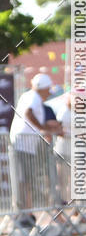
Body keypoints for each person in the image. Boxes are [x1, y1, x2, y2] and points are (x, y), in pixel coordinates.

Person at [10, 73, 62, 213]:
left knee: (26, 180)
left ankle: (26, 211)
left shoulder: (32, 97)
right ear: (42, 88)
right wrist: (42, 128)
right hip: (23, 144)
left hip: (27, 144)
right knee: (23, 180)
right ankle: (23, 213)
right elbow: (29, 112)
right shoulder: (33, 96)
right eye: (47, 89)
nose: (48, 93)